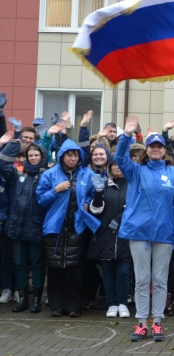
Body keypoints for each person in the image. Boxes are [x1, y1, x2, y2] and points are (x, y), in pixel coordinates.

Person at [114, 117, 174, 343]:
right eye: (152, 146)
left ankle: (157, 322)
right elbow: (118, 158)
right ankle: (140, 323)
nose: (156, 150)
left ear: (164, 150)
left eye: (159, 146)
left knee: (159, 279)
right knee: (142, 278)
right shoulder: (136, 171)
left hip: (165, 233)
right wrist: (127, 135)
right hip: (139, 232)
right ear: (147, 150)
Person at [36, 139, 100, 318]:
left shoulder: (87, 174)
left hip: (77, 227)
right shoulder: (50, 174)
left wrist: (87, 203)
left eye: (75, 155)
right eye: (69, 155)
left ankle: (73, 305)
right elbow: (41, 199)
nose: (72, 158)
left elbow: (93, 193)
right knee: (55, 268)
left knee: (74, 269)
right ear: (62, 156)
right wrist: (55, 190)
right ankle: (56, 306)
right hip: (55, 228)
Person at [0, 133, 48, 313]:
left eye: (36, 155)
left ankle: (36, 300)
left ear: (42, 157)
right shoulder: (17, 174)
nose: (33, 158)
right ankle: (23, 300)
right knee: (19, 264)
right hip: (16, 227)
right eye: (30, 155)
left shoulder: (47, 175)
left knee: (36, 264)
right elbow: (2, 164)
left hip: (36, 226)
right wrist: (12, 145)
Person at [88, 158, 132, 319]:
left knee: (123, 272)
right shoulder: (103, 184)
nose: (117, 168)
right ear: (109, 167)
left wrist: (120, 219)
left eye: (120, 165)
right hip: (105, 234)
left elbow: (133, 207)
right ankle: (111, 303)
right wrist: (98, 194)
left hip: (125, 235)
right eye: (114, 165)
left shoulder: (131, 185)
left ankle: (123, 303)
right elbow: (96, 210)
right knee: (107, 272)